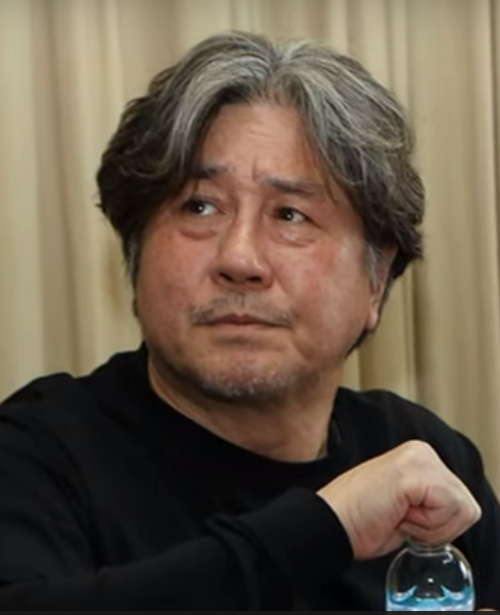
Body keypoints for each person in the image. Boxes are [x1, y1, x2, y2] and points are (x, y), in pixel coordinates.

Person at [0, 30, 498, 610]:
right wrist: (329, 526)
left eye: (290, 215)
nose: (239, 259)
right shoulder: (38, 452)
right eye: (200, 206)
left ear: (377, 279)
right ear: (134, 253)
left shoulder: (422, 457)